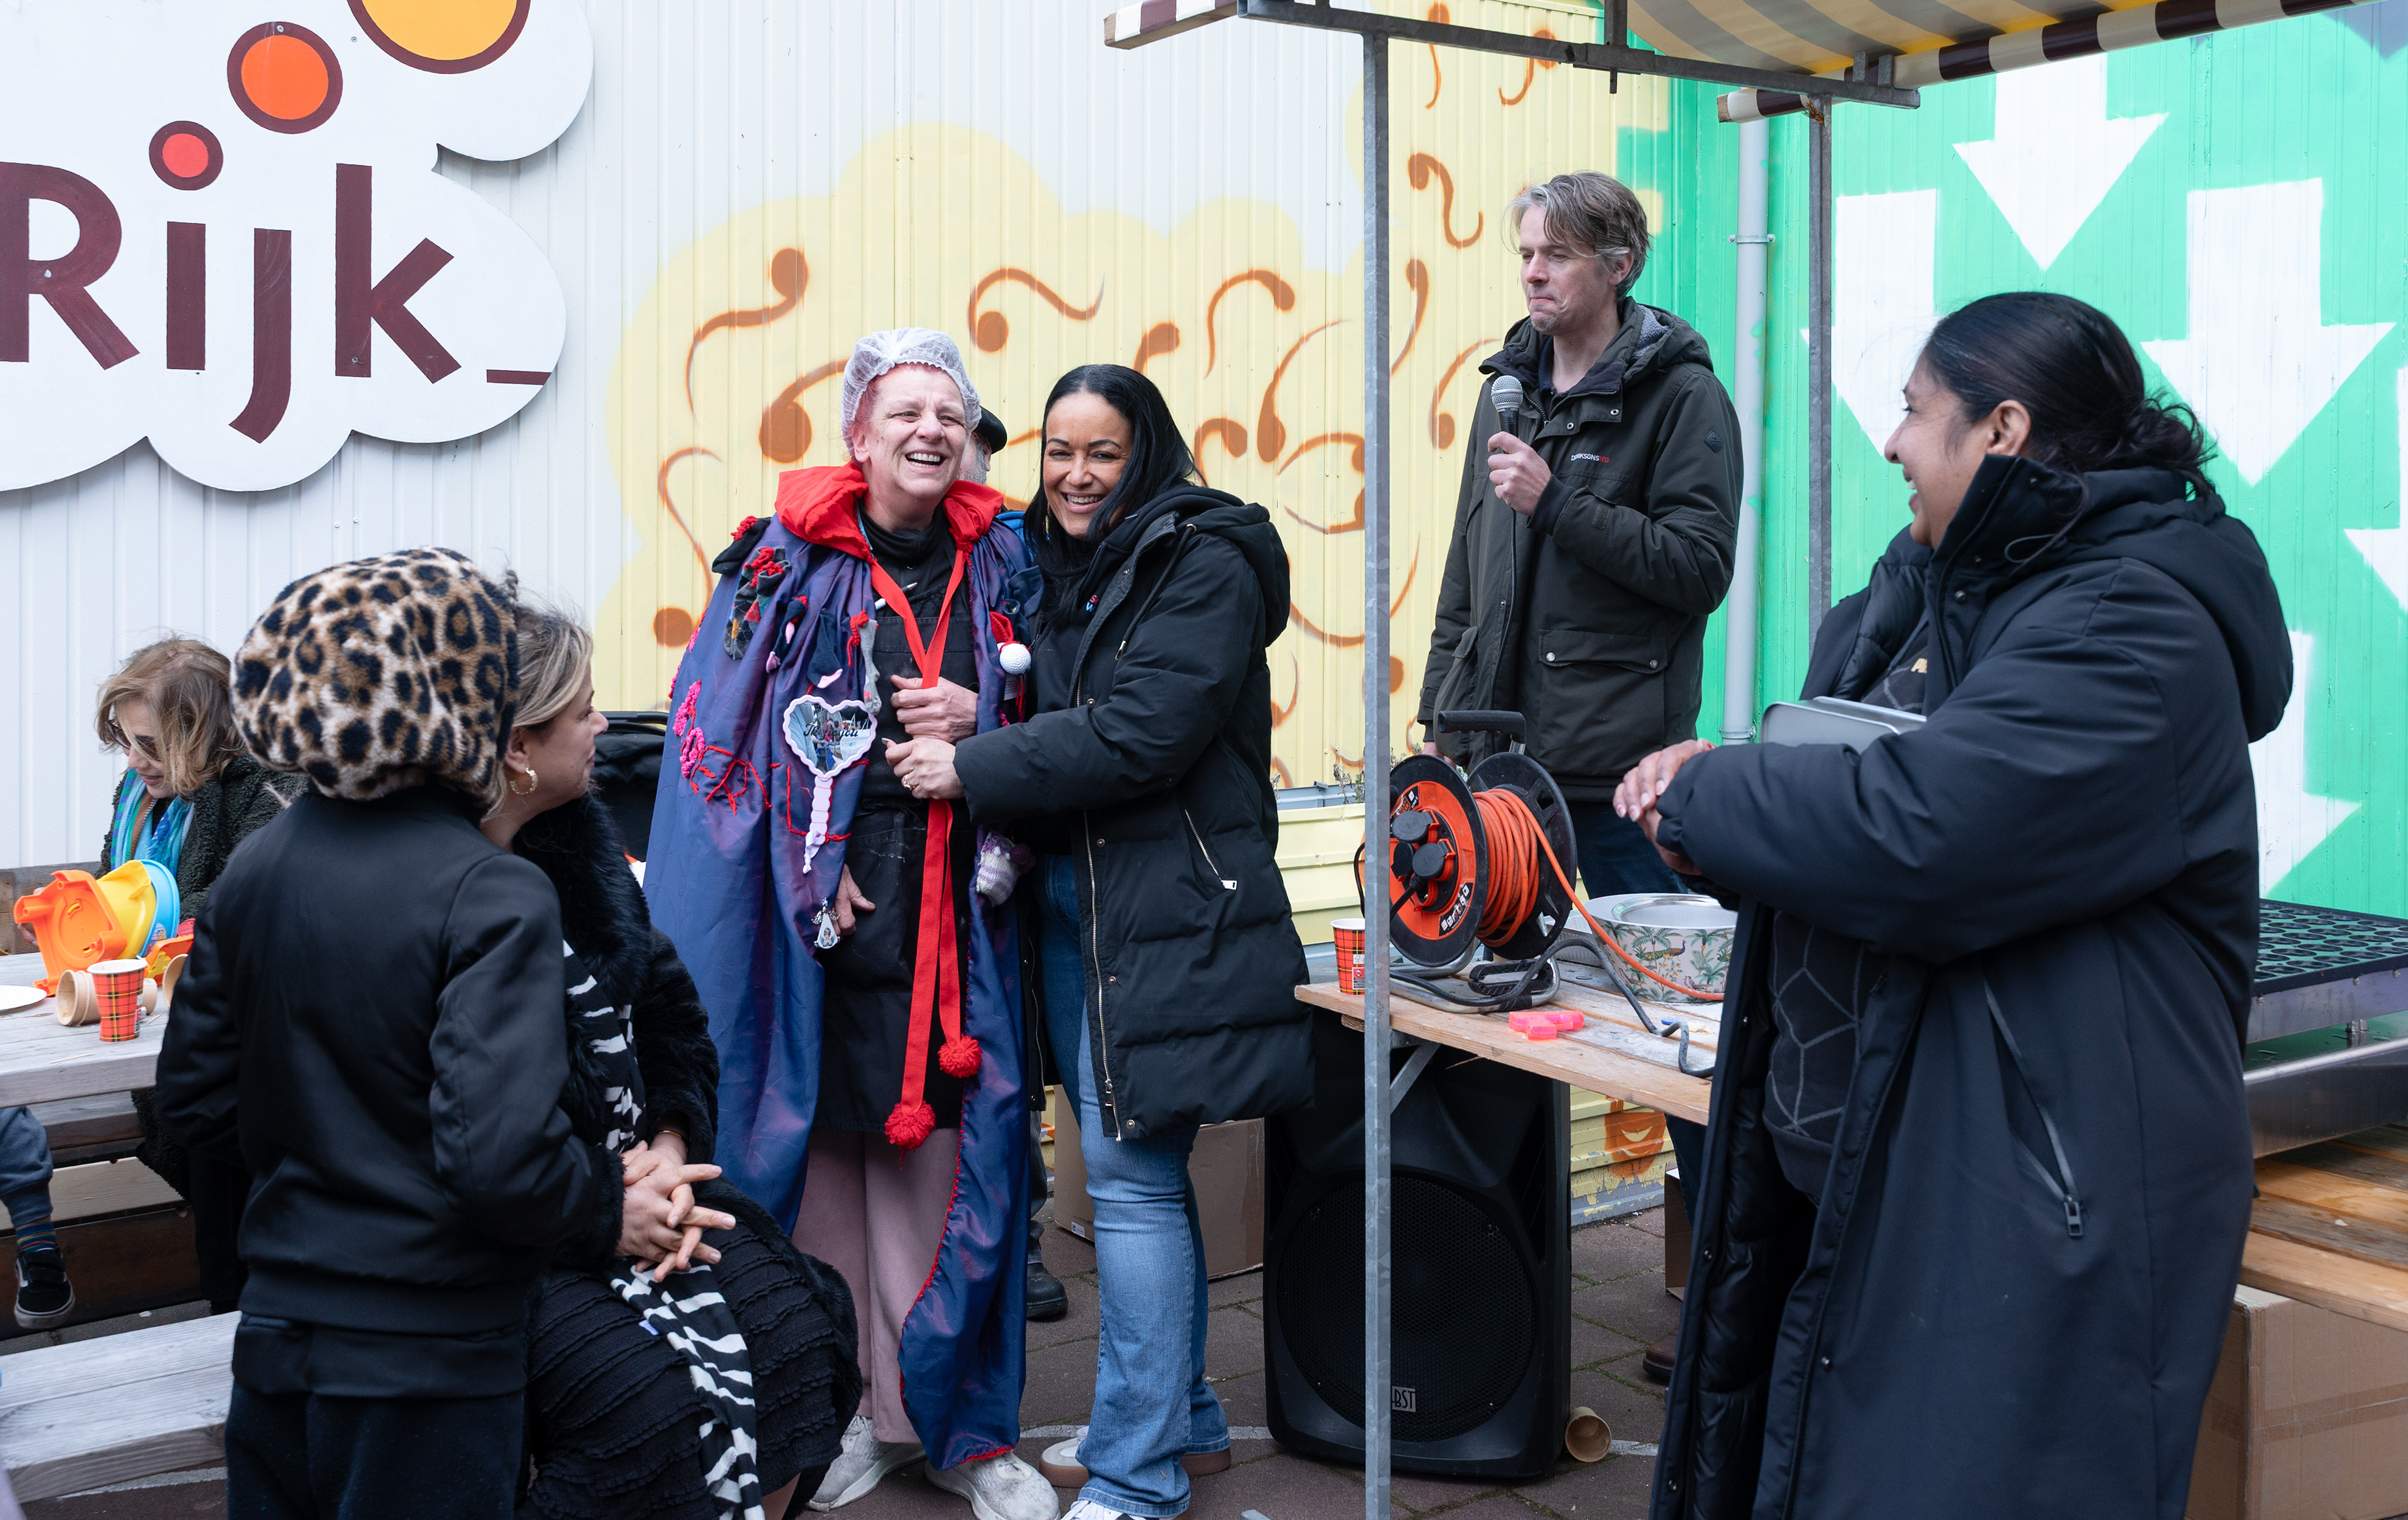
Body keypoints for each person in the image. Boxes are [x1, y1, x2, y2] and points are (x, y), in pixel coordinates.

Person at [1626, 292, 2290, 1519]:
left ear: (2004, 431)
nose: (1889, 443)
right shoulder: (1946, 591)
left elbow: (1924, 833)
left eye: (1914, 413)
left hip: (2028, 1194)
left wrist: (1717, 796)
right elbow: (1848, 780)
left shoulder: (2130, 628)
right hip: (1885, 1147)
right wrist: (1730, 829)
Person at [646, 330, 1054, 1520]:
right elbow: (710, 736)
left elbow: (1074, 703)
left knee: (949, 1173)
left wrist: (987, 718)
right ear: (856, 434)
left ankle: (962, 1429)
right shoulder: (777, 564)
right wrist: (801, 863)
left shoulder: (1010, 562)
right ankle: (845, 1412)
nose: (930, 429)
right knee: (821, 1165)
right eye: (904, 409)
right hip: (811, 910)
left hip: (961, 906)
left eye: (951, 411)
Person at [893, 363, 1313, 1520]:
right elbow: (1061, 695)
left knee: (1130, 1186)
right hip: (1079, 909)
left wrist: (971, 759)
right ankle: (1183, 1420)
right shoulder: (1056, 557)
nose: (1076, 477)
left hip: (1164, 909)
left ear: (1149, 452)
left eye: (1103, 453)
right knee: (1137, 1174)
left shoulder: (1204, 559)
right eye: (1059, 453)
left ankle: (1138, 1476)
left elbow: (1142, 734)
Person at [157, 548, 628, 1520]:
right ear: (460, 695)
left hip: (281, 1330)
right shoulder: (495, 890)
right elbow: (501, 1162)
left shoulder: (253, 871)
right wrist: (608, 1196)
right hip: (432, 1354)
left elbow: (193, 1109)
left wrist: (323, 1156)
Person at [1413, 170, 1740, 1375]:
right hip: (1496, 772)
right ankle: (1494, 1286)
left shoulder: (1682, 398)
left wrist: (1558, 504)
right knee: (1497, 1032)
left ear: (1618, 263)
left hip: (1612, 785)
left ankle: (1719, 1304)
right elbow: (1462, 571)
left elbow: (1699, 564)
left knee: (1674, 1045)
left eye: (1555, 254)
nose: (1534, 274)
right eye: (1525, 254)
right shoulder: (1506, 386)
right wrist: (1441, 722)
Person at [485, 598, 860, 1520]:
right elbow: (452, 1147)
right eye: (583, 709)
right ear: (518, 749)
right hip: (513, 1238)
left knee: (801, 1335)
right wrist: (601, 1210)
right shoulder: (433, 897)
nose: (604, 725)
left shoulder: (583, 852)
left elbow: (672, 1019)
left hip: (645, 1189)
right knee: (643, 1402)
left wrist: (666, 1139)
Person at [85, 638, 303, 1323]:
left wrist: (127, 929)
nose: (133, 758)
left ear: (204, 730)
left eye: (149, 742)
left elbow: (246, 901)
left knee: (238, 1213)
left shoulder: (271, 789)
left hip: (253, 1066)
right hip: (172, 1043)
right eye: (125, 739)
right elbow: (110, 891)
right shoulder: (141, 793)